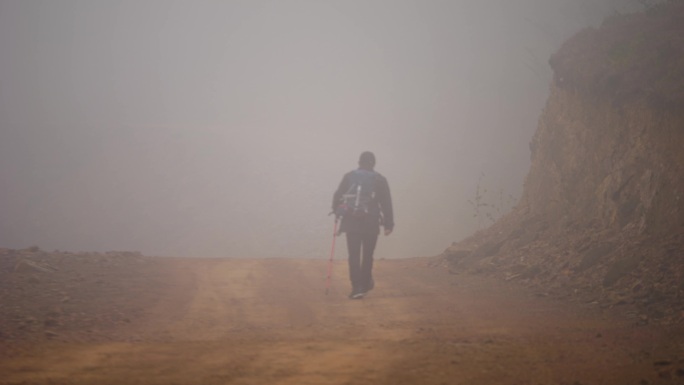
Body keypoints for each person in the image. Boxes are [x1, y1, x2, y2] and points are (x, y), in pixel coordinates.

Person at [332, 151, 394, 299]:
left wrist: (337, 212)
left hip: (351, 222)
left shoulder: (348, 177)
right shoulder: (380, 180)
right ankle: (365, 283)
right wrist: (388, 224)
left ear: (359, 162)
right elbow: (386, 203)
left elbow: (338, 196)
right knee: (367, 255)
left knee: (353, 255)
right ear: (374, 164)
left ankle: (357, 287)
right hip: (371, 222)